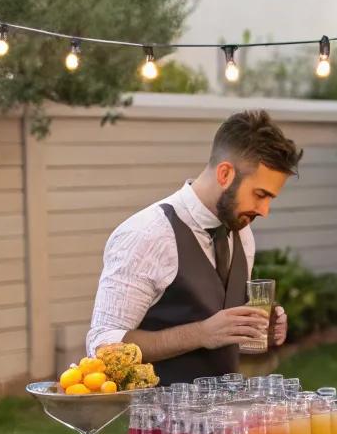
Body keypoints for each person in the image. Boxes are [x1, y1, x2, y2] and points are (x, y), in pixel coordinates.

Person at [87, 109, 302, 385]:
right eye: (260, 195)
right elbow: (102, 345)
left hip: (229, 421)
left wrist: (258, 328)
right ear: (225, 174)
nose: (265, 210)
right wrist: (200, 333)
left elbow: (220, 328)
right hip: (160, 423)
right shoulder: (147, 234)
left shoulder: (242, 232)